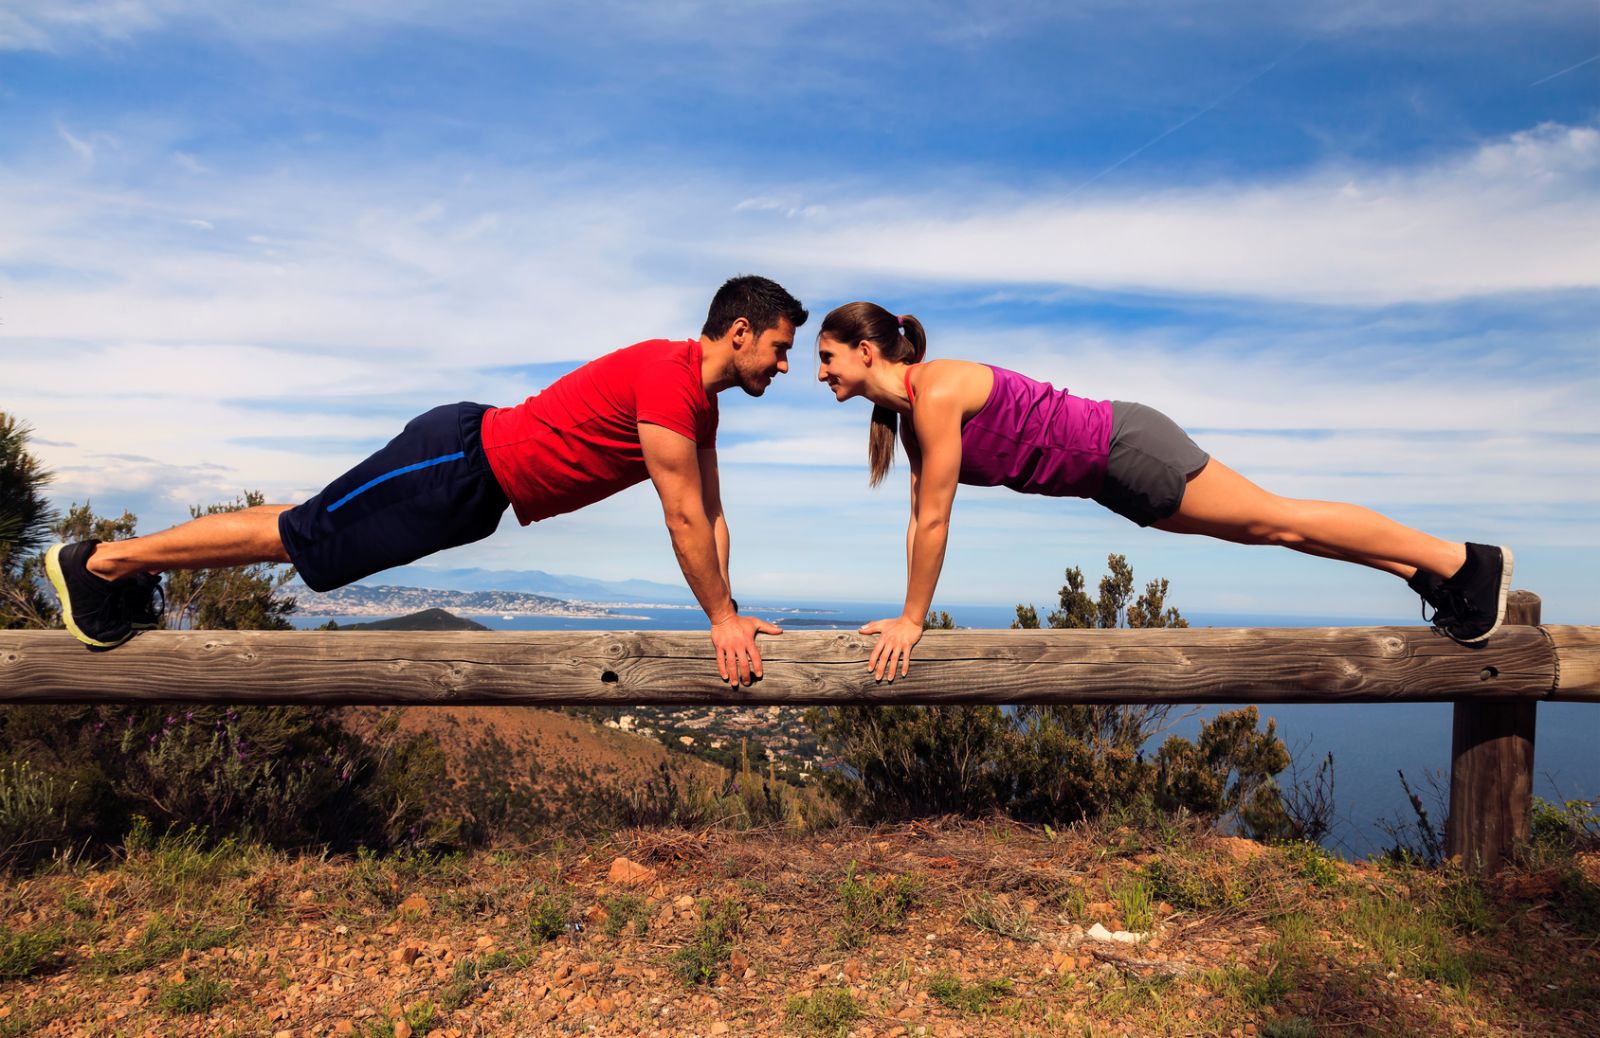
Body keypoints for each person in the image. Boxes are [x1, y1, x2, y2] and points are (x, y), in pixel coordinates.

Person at [45, 275, 808, 686]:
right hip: (457, 463)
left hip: (473, 491)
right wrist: (719, 621)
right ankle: (102, 564)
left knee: (306, 532)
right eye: (777, 348)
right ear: (738, 331)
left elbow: (710, 514)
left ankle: (121, 565)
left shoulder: (697, 404)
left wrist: (730, 610)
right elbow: (681, 521)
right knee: (301, 539)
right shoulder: (669, 380)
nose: (781, 365)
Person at [813, 301, 1514, 682]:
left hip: (1125, 448)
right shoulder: (911, 423)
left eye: (826, 358)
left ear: (866, 351)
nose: (820, 374)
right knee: (1270, 529)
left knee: (1278, 520)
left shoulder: (934, 391)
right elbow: (916, 518)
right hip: (1111, 480)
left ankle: (1464, 563)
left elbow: (935, 521)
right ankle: (1429, 575)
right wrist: (907, 612)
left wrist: (912, 619)